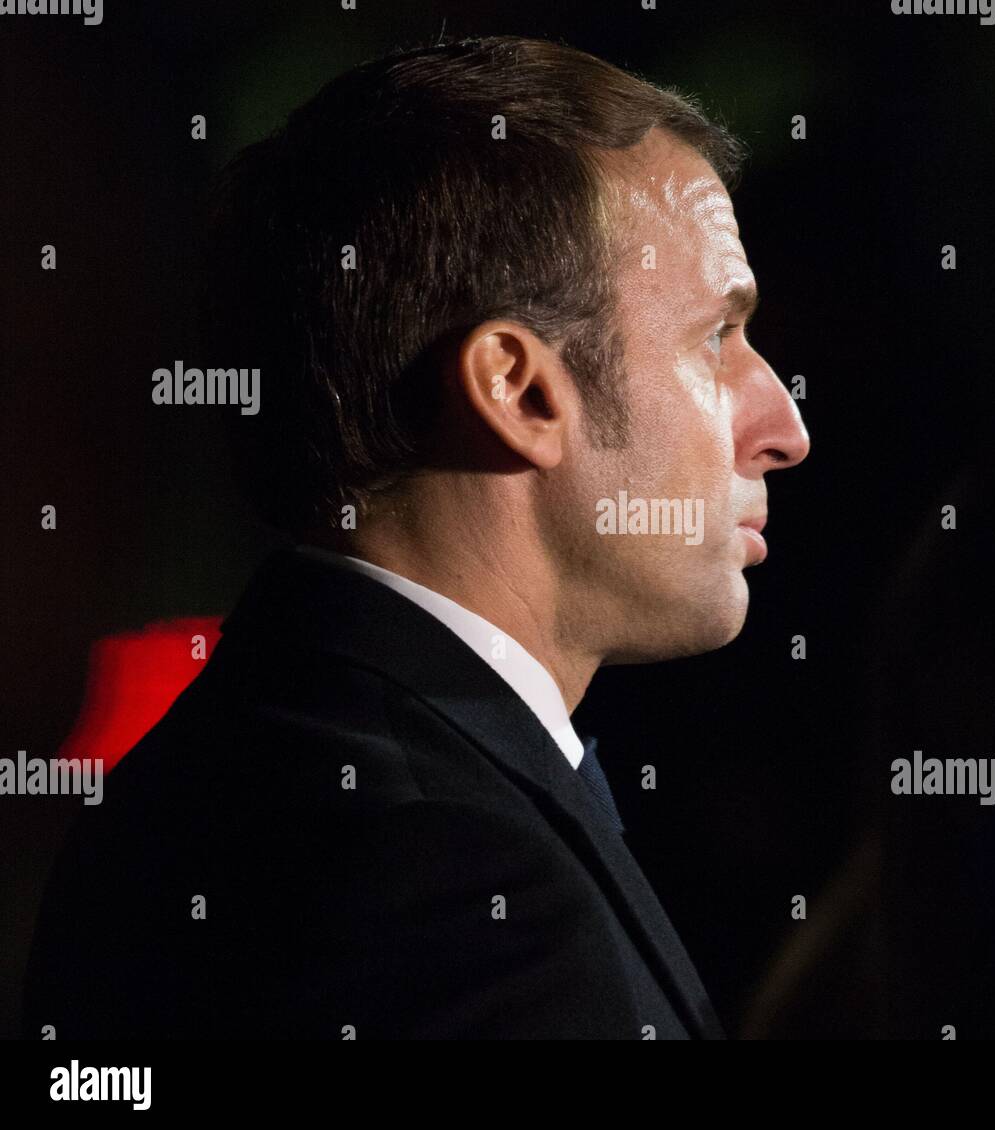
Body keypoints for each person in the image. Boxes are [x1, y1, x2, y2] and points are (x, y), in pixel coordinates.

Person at [21, 35, 809, 1040]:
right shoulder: (451, 877)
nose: (784, 426)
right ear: (518, 389)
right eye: (715, 335)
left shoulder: (235, 777)